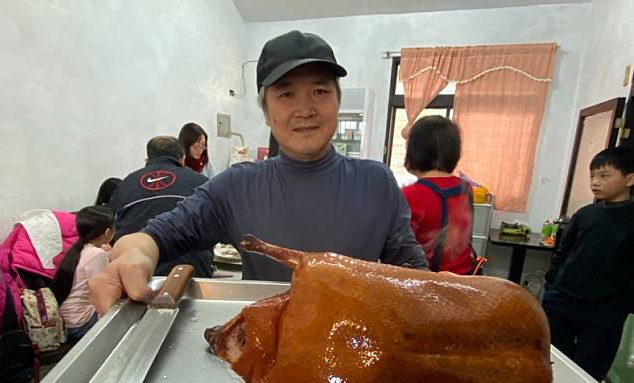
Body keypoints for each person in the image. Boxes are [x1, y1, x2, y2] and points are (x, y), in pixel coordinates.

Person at [90, 30, 427, 314]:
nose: (305, 109)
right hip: (264, 353)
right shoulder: (236, 186)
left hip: (354, 348)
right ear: (266, 112)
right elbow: (157, 236)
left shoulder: (376, 181)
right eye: (286, 94)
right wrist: (132, 254)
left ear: (337, 101)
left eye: (320, 91)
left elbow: (414, 273)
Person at [542, 146, 634, 382]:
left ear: (630, 178)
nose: (595, 182)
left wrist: (621, 305)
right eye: (592, 176)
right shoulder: (585, 214)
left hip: (604, 309)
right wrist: (552, 285)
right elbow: (562, 253)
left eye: (604, 175)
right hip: (563, 300)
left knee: (589, 372)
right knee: (552, 363)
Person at [108, 136, 213, 278]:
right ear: (182, 158)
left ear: (148, 158)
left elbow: (111, 231)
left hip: (137, 275)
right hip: (191, 273)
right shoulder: (200, 181)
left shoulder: (126, 184)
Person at [402, 116, 475, 274]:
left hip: (430, 284)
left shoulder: (412, 195)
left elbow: (400, 249)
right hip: (464, 279)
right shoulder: (465, 188)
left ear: (415, 151)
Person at [51, 206, 114, 340]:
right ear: (108, 232)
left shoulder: (80, 250)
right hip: (80, 323)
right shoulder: (98, 254)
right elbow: (101, 294)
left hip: (66, 320)